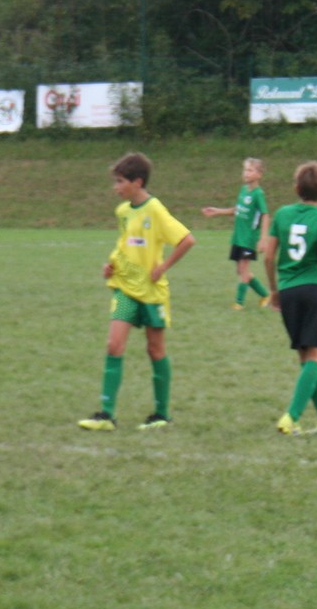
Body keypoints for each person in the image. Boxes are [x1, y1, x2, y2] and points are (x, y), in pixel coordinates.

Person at [79, 152, 196, 432]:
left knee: (155, 350)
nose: (116, 187)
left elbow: (187, 240)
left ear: (138, 182)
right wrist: (111, 264)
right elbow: (125, 243)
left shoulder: (154, 210)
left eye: (120, 181)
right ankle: (106, 415)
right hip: (125, 290)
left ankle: (161, 414)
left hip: (152, 293)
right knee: (114, 345)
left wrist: (163, 267)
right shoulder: (123, 212)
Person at [262, 161, 317, 436]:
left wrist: (274, 290)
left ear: (296, 188)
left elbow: (269, 256)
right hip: (314, 290)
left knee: (306, 357)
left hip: (288, 291)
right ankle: (291, 416)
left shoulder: (283, 214)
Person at [201, 157, 270, 309]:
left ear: (259, 174)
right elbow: (237, 210)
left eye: (250, 170)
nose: (246, 173)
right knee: (240, 270)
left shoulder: (258, 194)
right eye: (245, 170)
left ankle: (239, 303)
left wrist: (263, 238)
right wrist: (217, 211)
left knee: (244, 269)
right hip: (238, 237)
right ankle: (265, 295)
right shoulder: (243, 190)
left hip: (249, 238)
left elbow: (265, 214)